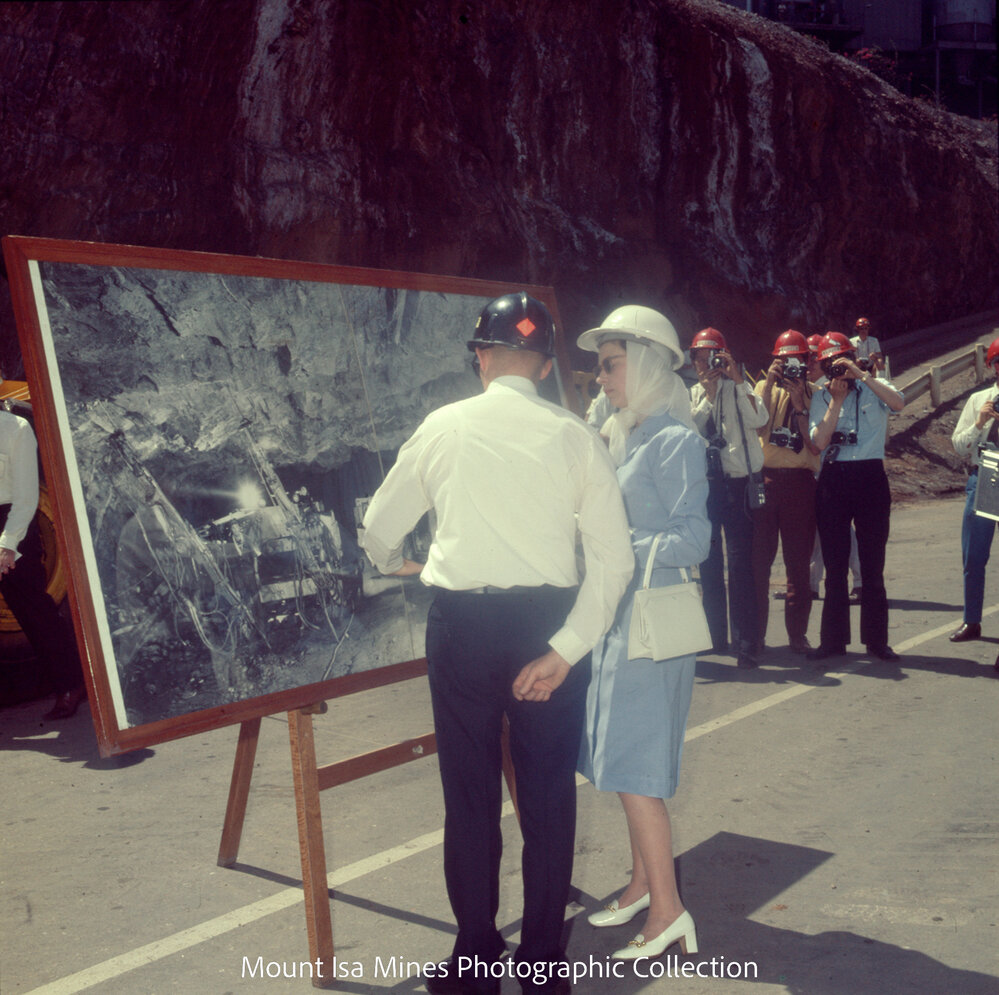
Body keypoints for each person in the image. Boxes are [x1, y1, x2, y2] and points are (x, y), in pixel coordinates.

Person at [359, 292, 634, 995]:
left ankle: (476, 959)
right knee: (547, 798)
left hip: (464, 629)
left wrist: (397, 562)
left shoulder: (444, 426)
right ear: (543, 366)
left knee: (470, 797)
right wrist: (566, 649)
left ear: (481, 357)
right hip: (549, 625)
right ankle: (541, 966)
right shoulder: (576, 436)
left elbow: (379, 528)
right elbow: (614, 561)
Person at [575, 305, 709, 962]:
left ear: (649, 363)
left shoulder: (675, 440)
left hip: (652, 622)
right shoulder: (626, 434)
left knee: (636, 768)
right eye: (600, 366)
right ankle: (640, 885)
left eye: (611, 364)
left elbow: (694, 538)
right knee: (622, 759)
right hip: (621, 617)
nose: (601, 378)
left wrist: (617, 546)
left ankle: (667, 911)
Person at [808, 332, 904, 662]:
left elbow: (898, 403)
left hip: (870, 476)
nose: (837, 369)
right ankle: (833, 641)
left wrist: (862, 375)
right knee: (835, 566)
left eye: (841, 361)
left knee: (872, 564)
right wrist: (836, 401)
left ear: (853, 358)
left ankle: (877, 642)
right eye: (829, 364)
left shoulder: (874, 387)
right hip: (834, 478)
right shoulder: (821, 397)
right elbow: (819, 442)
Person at [0, 401, 85, 718]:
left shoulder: (15, 428)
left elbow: (26, 496)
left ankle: (71, 684)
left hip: (12, 524)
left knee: (33, 610)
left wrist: (8, 545)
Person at [689, 328, 767, 667]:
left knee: (739, 564)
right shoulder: (693, 394)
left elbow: (760, 419)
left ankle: (745, 642)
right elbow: (690, 431)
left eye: (713, 358)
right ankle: (713, 636)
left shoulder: (740, 388)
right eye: (700, 359)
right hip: (707, 486)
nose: (707, 365)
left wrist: (737, 380)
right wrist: (707, 396)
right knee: (708, 562)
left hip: (738, 484)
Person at [752, 330, 821, 653]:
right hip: (766, 479)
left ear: (807, 362)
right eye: (783, 360)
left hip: (800, 483)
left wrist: (799, 402)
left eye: (796, 360)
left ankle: (797, 635)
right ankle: (756, 636)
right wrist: (769, 384)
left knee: (798, 564)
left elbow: (816, 444)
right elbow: (758, 426)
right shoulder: (762, 388)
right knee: (758, 563)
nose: (790, 366)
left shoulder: (817, 394)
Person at [948, 337, 999, 644]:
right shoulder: (979, 400)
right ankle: (971, 620)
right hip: (987, 474)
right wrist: (979, 423)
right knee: (974, 555)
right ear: (993, 367)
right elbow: (959, 446)